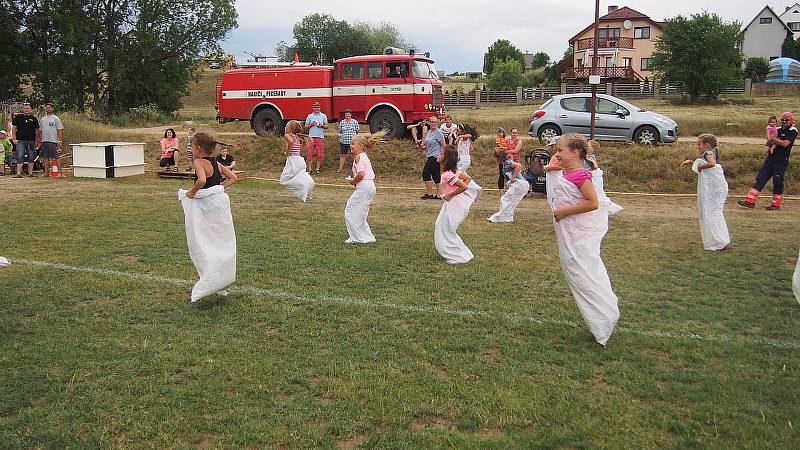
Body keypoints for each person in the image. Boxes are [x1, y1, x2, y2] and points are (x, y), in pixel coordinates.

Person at [545, 133, 618, 346]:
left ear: (575, 153)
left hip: (579, 238)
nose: (556, 154)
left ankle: (603, 323)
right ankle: (602, 319)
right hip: (570, 236)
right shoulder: (567, 173)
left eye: (560, 150)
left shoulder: (579, 175)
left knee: (585, 278)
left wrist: (564, 212)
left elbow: (592, 203)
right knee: (580, 278)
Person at [180, 132, 239, 302]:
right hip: (217, 208)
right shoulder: (216, 162)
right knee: (218, 241)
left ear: (198, 148)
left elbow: (201, 180)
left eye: (191, 146)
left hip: (205, 209)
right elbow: (233, 177)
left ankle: (212, 276)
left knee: (203, 242)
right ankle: (220, 278)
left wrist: (191, 193)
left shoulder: (199, 162)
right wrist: (218, 188)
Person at [738, 111, 797, 210]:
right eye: (782, 119)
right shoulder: (777, 129)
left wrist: (772, 139)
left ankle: (775, 204)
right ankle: (750, 200)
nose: (784, 122)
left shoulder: (793, 130)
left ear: (790, 120)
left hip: (781, 161)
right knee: (761, 178)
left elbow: (785, 144)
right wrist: (769, 142)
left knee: (777, 182)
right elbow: (768, 142)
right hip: (770, 158)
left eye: (786, 120)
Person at [681, 134, 730, 251]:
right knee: (715, 212)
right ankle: (719, 239)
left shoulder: (707, 154)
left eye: (699, 144)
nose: (698, 147)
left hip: (714, 188)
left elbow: (711, 164)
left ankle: (718, 240)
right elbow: (707, 163)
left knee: (711, 212)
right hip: (718, 188)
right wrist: (693, 162)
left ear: (706, 145)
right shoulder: (711, 153)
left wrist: (699, 167)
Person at [435, 147, 478, 264]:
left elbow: (464, 186)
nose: (438, 155)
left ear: (446, 158)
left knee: (446, 228)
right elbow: (468, 178)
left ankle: (456, 255)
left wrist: (450, 194)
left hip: (453, 203)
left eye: (441, 153)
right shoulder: (452, 173)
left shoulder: (448, 175)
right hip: (451, 203)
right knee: (443, 226)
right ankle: (457, 252)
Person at [344, 134, 380, 244]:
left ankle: (357, 238)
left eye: (353, 144)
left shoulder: (359, 157)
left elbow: (361, 174)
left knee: (350, 210)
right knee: (360, 213)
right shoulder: (362, 156)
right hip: (367, 187)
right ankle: (365, 237)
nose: (350, 145)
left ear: (360, 145)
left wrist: (353, 181)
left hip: (364, 187)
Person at [488, 148, 530, 223]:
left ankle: (505, 217)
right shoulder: (504, 164)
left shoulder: (508, 162)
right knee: (510, 201)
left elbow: (518, 166)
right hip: (517, 185)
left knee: (505, 199)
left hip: (520, 184)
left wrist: (513, 177)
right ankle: (507, 217)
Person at [280, 120, 315, 202]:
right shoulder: (297, 136)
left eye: (286, 126)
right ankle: (307, 186)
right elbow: (299, 146)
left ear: (290, 129)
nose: (285, 128)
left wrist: (287, 152)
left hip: (293, 160)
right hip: (299, 159)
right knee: (299, 176)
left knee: (284, 180)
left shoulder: (287, 135)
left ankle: (302, 188)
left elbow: (290, 142)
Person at [420, 115, 445, 200]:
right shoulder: (429, 132)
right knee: (436, 175)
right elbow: (427, 144)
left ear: (437, 123)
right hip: (430, 155)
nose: (433, 123)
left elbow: (444, 146)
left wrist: (441, 156)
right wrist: (423, 147)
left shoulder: (438, 132)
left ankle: (429, 194)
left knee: (425, 174)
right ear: (429, 123)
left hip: (435, 156)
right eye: (431, 122)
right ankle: (439, 194)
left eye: (435, 122)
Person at [11, 102, 39, 178]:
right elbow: (13, 128)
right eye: (25, 108)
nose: (26, 110)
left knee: (31, 156)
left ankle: (30, 173)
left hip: (31, 141)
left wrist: (37, 141)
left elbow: (37, 130)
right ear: (22, 109)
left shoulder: (34, 118)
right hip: (20, 140)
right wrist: (14, 139)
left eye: (28, 108)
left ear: (31, 110)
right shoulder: (18, 117)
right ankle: (19, 173)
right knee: (20, 156)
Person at [39, 102, 65, 177]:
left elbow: (60, 130)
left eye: (49, 107)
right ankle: (46, 172)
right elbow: (40, 131)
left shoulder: (55, 118)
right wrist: (40, 140)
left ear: (52, 109)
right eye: (46, 107)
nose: (48, 109)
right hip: (44, 140)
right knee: (45, 157)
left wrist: (59, 140)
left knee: (56, 156)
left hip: (53, 141)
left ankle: (59, 172)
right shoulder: (43, 119)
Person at [304, 101, 328, 174]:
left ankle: (318, 169)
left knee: (319, 154)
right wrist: (311, 124)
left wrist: (322, 125)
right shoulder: (309, 116)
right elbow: (305, 127)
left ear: (320, 108)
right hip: (311, 137)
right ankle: (310, 169)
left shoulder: (323, 116)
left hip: (320, 137)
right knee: (309, 153)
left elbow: (327, 126)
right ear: (313, 108)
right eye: (315, 107)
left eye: (318, 107)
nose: (316, 108)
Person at [337, 109, 359, 173]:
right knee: (342, 155)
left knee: (355, 155)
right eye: (346, 114)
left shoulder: (355, 122)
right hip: (344, 141)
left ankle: (356, 168)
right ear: (344, 115)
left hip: (352, 142)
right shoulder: (342, 122)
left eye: (348, 114)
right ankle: (340, 168)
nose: (347, 115)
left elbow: (357, 131)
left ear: (351, 115)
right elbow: (340, 131)